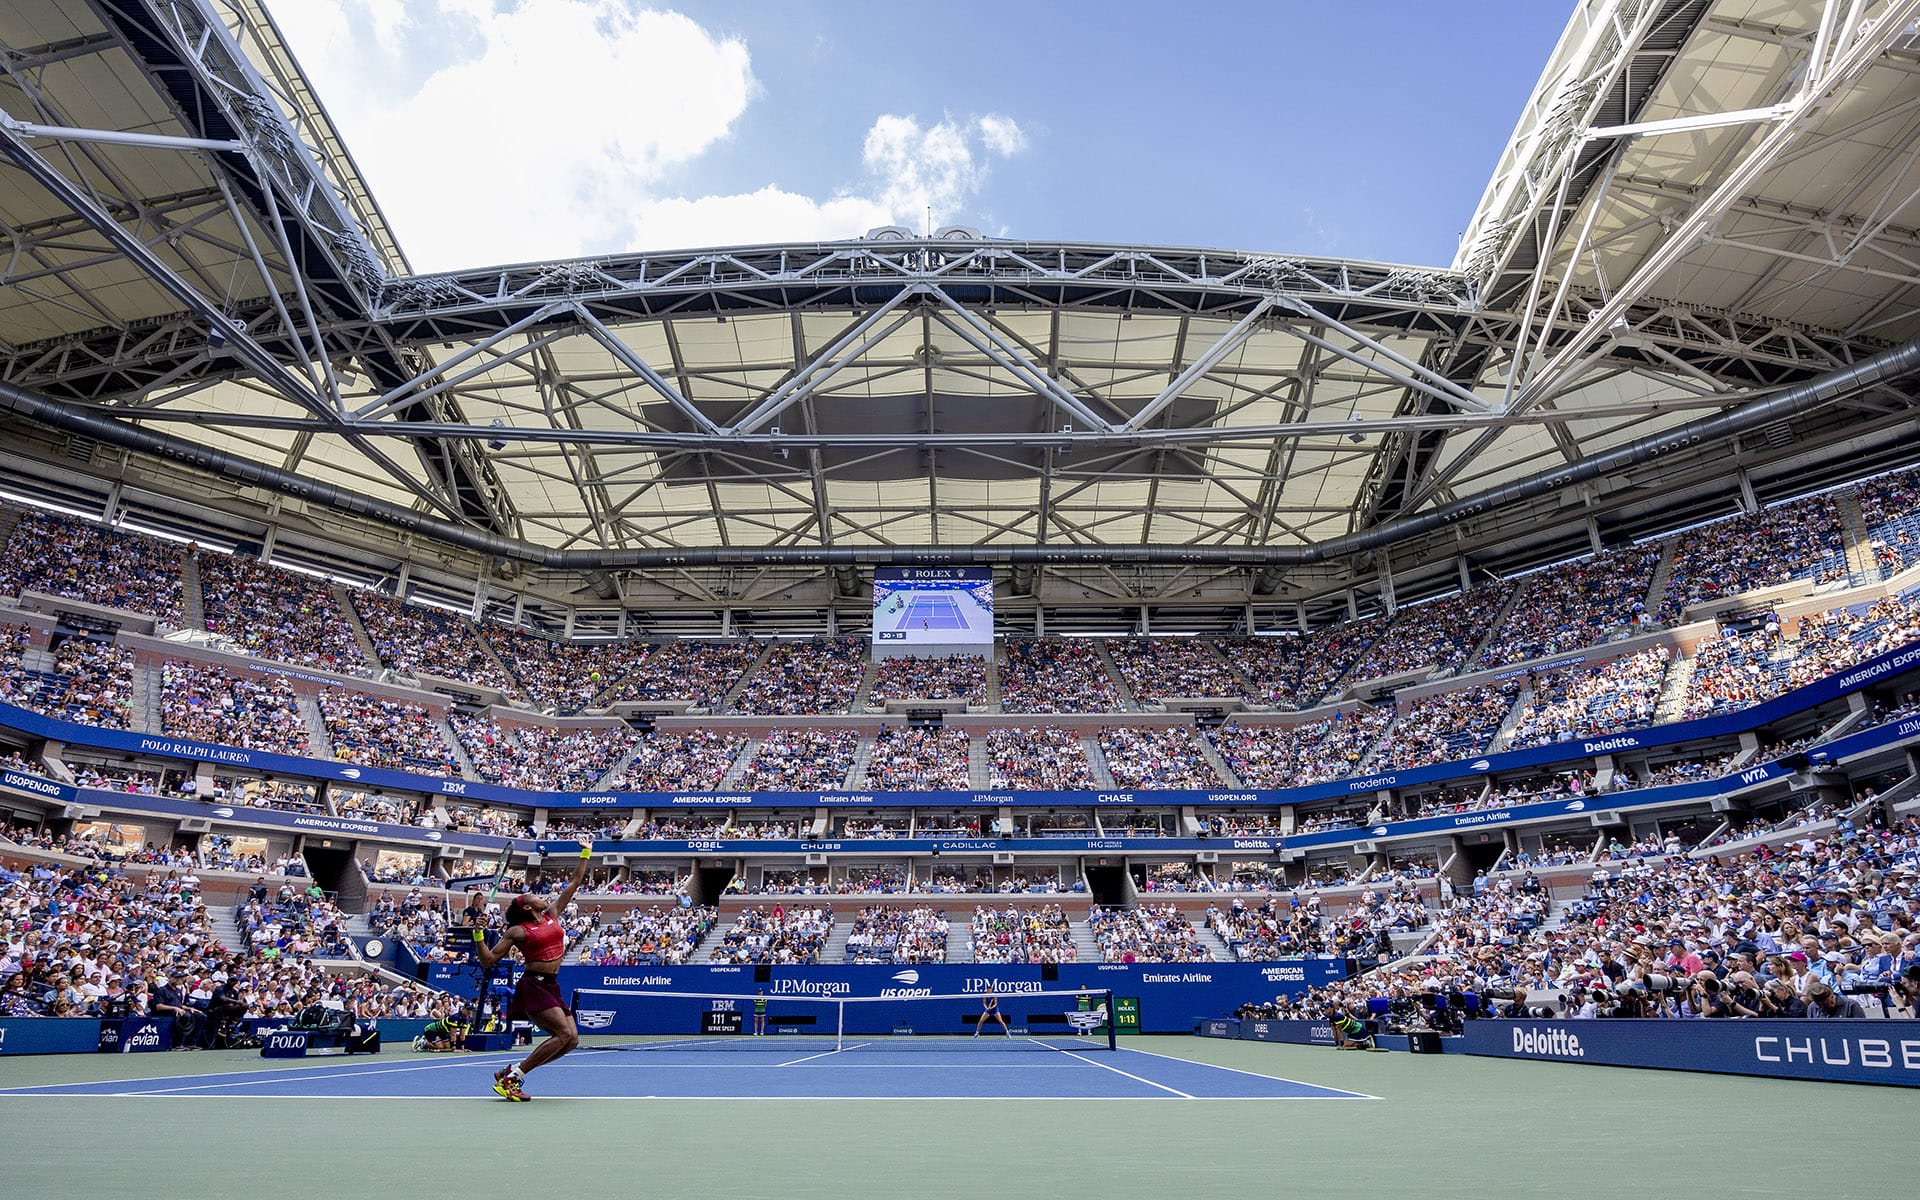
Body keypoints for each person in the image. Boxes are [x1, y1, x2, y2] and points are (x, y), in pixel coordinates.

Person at [474, 839, 592, 1100]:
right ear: (527, 907)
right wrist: (478, 934)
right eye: (535, 896)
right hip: (533, 985)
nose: (541, 896)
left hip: (551, 985)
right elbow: (488, 961)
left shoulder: (552, 914)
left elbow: (574, 882)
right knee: (563, 1034)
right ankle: (512, 1079)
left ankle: (511, 1070)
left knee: (572, 1040)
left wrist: (586, 852)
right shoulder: (518, 930)